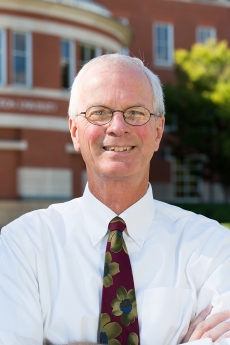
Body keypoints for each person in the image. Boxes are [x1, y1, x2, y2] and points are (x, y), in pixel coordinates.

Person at [0, 54, 230, 345]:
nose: (118, 126)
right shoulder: (23, 246)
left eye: (136, 112)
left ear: (158, 131)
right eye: (99, 112)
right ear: (74, 131)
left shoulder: (212, 247)